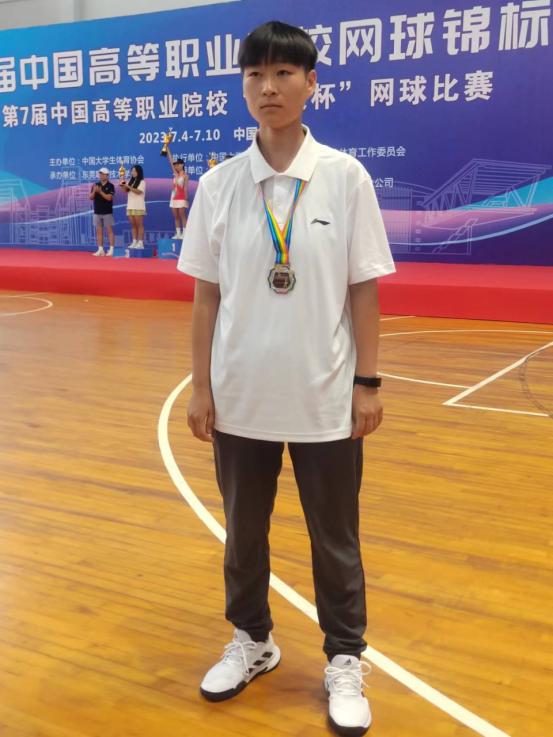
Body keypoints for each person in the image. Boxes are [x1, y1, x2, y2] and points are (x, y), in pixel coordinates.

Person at [177, 20, 395, 737]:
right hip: (240, 396)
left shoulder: (344, 177)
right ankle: (252, 640)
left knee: (335, 537)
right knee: (243, 534)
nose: (267, 88)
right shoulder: (218, 185)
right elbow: (205, 297)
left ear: (311, 84)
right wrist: (201, 387)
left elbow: (363, 288)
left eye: (282, 74)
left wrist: (367, 382)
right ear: (242, 86)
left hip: (324, 395)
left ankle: (344, 656)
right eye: (254, 75)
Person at [89, 167, 115, 256]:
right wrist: (94, 191)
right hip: (97, 211)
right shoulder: (95, 185)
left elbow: (109, 198)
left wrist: (100, 192)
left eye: (103, 174)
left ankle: (111, 249)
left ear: (107, 175)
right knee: (99, 231)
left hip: (107, 211)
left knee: (109, 231)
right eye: (100, 174)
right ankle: (100, 249)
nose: (101, 175)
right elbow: (91, 197)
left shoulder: (111, 186)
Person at [120, 165, 146, 249]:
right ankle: (134, 242)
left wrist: (128, 186)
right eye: (132, 171)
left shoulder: (142, 182)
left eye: (134, 171)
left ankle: (140, 242)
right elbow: (125, 191)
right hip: (130, 206)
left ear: (138, 172)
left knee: (139, 225)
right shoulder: (130, 181)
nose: (132, 172)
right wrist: (122, 184)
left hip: (138, 206)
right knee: (133, 225)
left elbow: (138, 192)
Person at [166, 146, 189, 239]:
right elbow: (170, 160)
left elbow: (185, 187)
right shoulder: (175, 174)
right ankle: (178, 233)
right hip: (174, 196)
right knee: (176, 216)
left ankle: (185, 233)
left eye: (178, 165)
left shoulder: (185, 176)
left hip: (181, 196)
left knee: (182, 215)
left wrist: (186, 198)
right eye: (175, 165)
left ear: (182, 165)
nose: (176, 166)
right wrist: (167, 148)